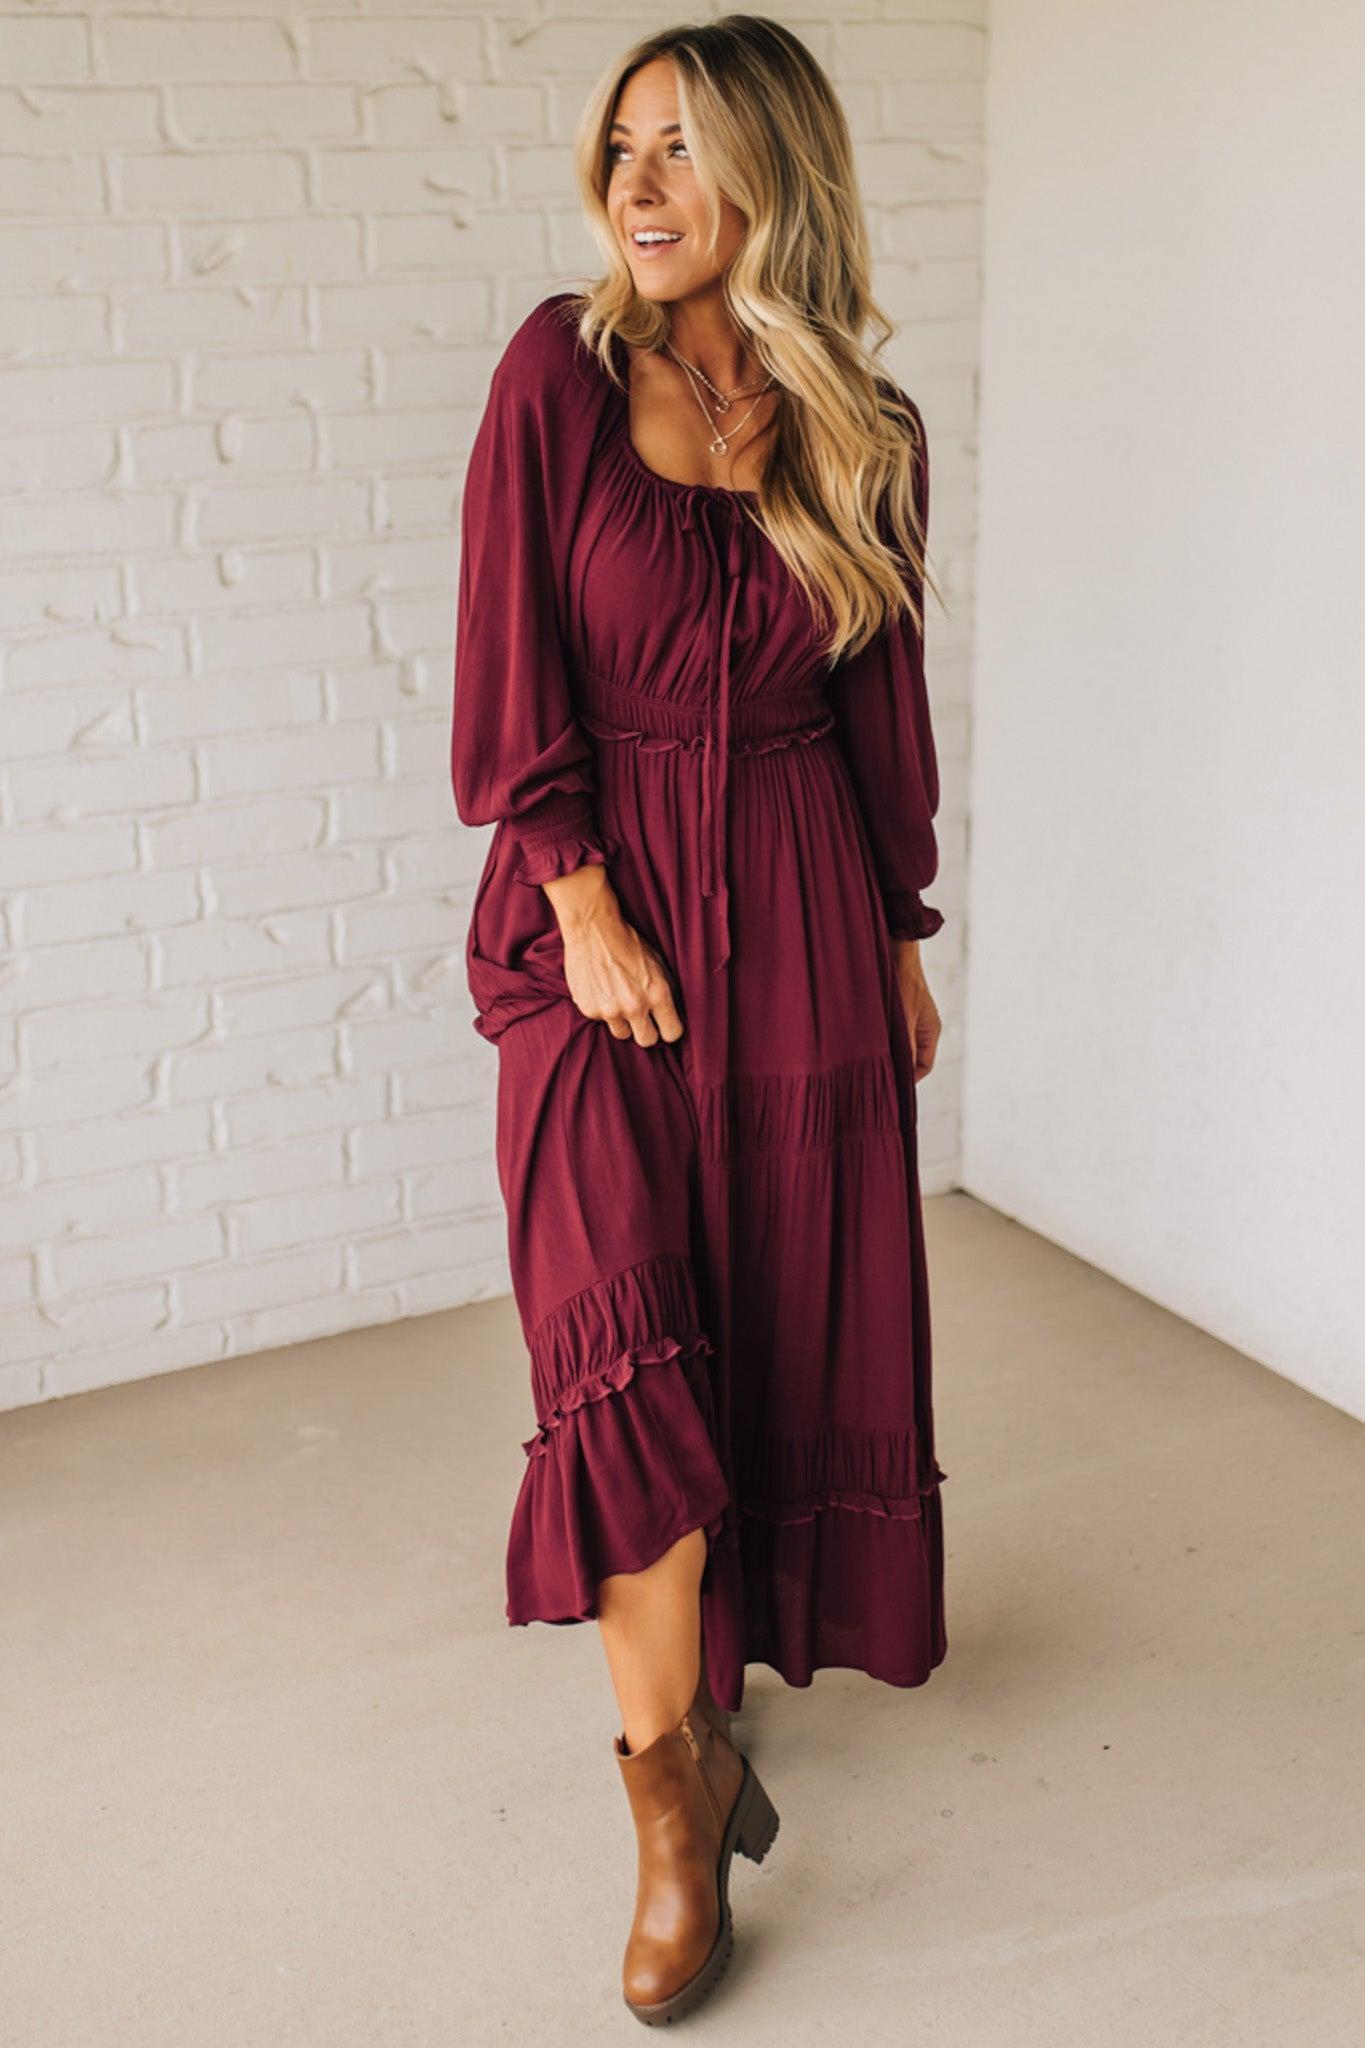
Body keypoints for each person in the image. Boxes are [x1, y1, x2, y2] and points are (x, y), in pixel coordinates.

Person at [450, 15, 949, 2025]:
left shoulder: (864, 425)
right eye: (619, 146)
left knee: (778, 1304)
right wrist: (575, 896)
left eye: (681, 147)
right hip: (604, 921)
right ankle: (673, 1801)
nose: (637, 185)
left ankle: (706, 1709)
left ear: (776, 177)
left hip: (811, 912)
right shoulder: (554, 382)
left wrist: (902, 931)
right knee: (622, 1342)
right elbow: (506, 669)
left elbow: (877, 709)